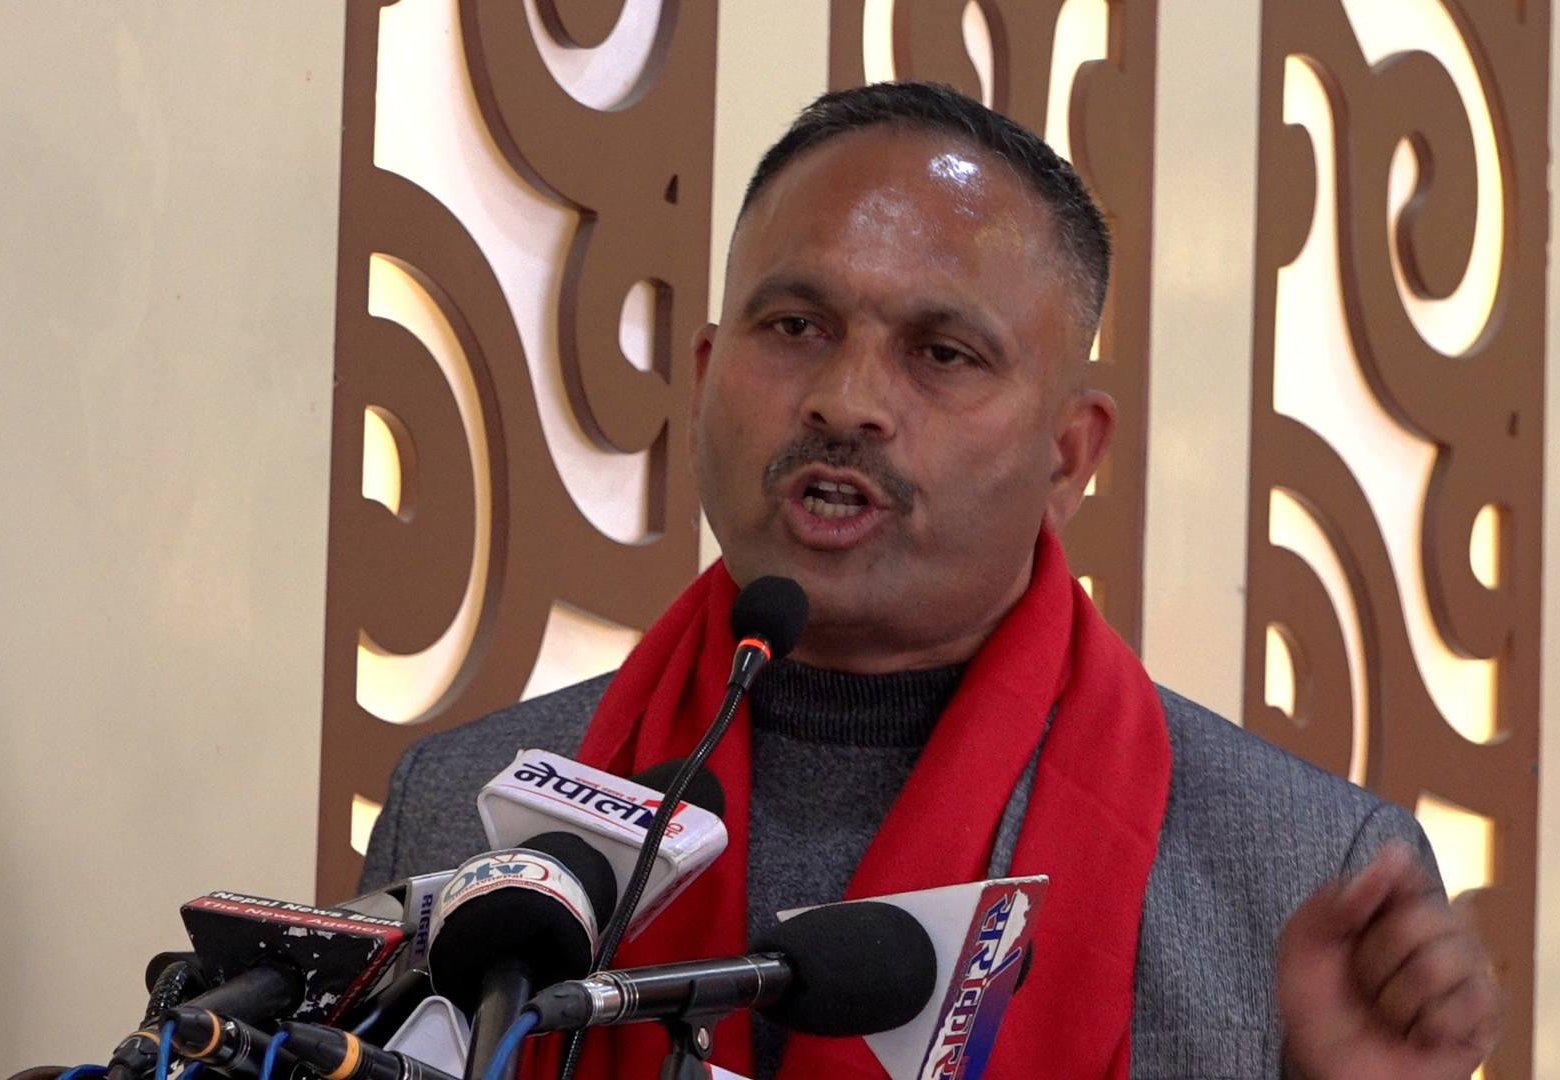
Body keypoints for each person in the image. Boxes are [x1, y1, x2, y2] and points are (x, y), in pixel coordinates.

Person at [359, 82, 1502, 1080]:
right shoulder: (466, 812)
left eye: (942, 353)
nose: (847, 400)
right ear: (703, 378)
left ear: (1070, 455)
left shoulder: (1299, 874)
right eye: (795, 325)